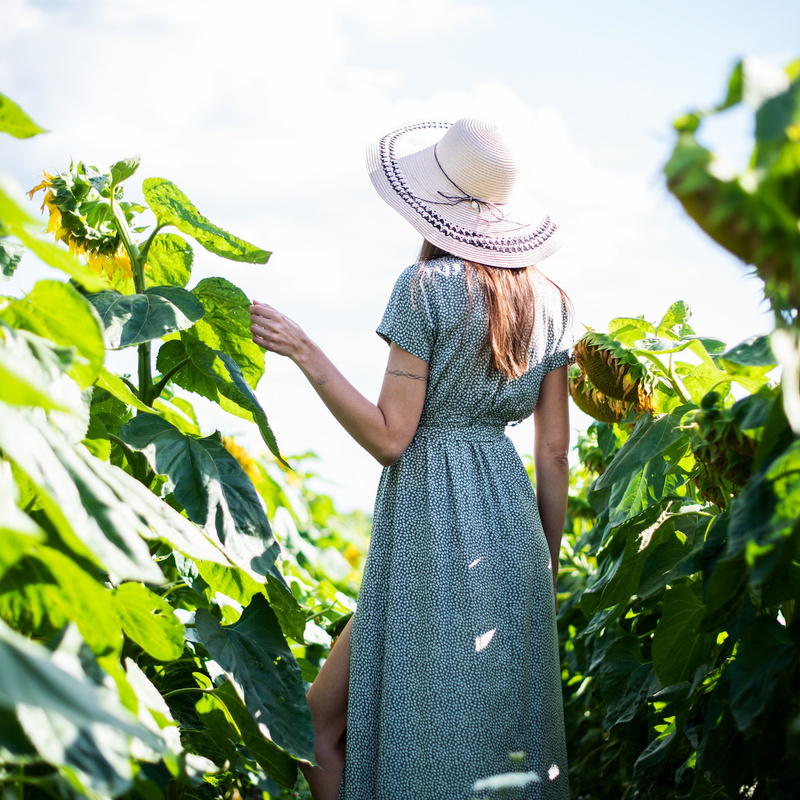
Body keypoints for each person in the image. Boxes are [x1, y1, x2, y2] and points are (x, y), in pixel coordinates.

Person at [249, 117, 572, 800]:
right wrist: (546, 555)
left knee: (320, 729)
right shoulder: (554, 304)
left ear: (432, 206)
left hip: (426, 532)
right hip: (513, 538)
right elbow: (551, 448)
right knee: (492, 749)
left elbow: (392, 437)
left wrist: (306, 352)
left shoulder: (423, 289)